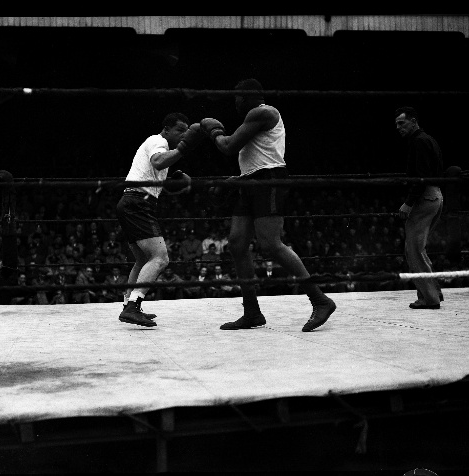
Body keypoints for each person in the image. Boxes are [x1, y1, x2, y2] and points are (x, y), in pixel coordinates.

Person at [200, 78, 336, 332]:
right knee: (237, 243)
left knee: (271, 243)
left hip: (268, 180)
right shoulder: (254, 118)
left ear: (249, 96)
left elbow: (228, 146)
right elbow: (254, 157)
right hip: (251, 181)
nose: (236, 102)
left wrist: (213, 131)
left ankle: (320, 299)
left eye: (238, 97)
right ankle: (252, 312)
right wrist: (233, 180)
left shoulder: (263, 112)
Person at [116, 112, 203, 326]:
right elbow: (157, 162)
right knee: (161, 258)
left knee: (143, 260)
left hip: (132, 201)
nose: (183, 135)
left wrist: (179, 185)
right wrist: (183, 148)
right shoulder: (158, 141)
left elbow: (159, 186)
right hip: (138, 203)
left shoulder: (164, 149)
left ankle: (129, 304)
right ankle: (132, 306)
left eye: (186, 131)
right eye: (180, 130)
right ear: (166, 129)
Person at [395, 106, 444, 309]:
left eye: (402, 123)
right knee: (418, 249)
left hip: (425, 197)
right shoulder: (427, 140)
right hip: (435, 195)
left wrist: (408, 203)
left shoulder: (419, 142)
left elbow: (421, 177)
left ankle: (429, 298)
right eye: (396, 124)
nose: (398, 127)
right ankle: (433, 293)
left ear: (414, 121)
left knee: (413, 249)